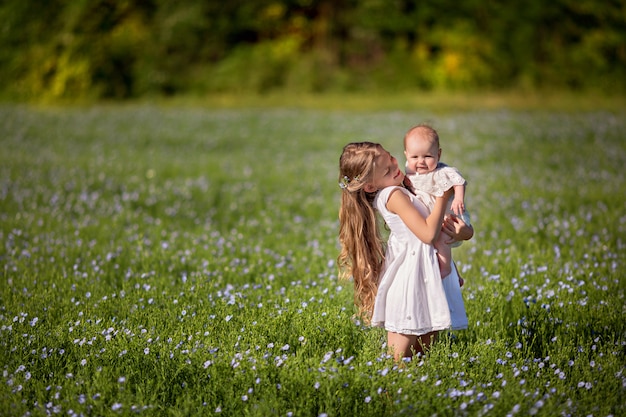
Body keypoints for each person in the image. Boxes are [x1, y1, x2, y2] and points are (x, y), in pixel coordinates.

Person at [337, 142, 472, 360]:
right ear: (371, 186)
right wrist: (443, 196)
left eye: (391, 158)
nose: (394, 167)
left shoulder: (405, 188)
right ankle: (390, 394)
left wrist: (462, 232)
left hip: (428, 276)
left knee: (424, 355)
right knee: (399, 360)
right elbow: (428, 234)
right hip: (409, 282)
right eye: (387, 171)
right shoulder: (392, 195)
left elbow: (438, 237)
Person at [404, 124, 471, 281]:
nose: (421, 161)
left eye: (427, 156)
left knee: (441, 240)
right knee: (436, 246)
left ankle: (446, 269)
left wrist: (459, 198)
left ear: (438, 154)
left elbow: (459, 181)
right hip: (432, 215)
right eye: (414, 157)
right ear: (406, 155)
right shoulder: (410, 172)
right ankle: (456, 273)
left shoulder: (442, 171)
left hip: (447, 214)